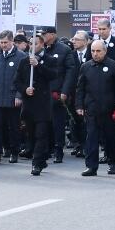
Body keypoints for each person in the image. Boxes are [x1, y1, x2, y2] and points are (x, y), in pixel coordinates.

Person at [76, 40, 115, 176]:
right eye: (93, 51)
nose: (95, 54)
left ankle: (113, 163)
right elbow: (80, 88)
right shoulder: (86, 67)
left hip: (110, 110)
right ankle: (91, 166)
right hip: (92, 109)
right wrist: (79, 105)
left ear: (105, 51)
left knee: (111, 138)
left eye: (98, 51)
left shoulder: (114, 66)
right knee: (91, 138)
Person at [18, 35, 54, 176]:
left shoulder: (49, 60)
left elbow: (53, 75)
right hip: (29, 104)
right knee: (31, 135)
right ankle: (42, 157)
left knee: (41, 134)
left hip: (43, 104)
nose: (32, 46)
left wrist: (38, 66)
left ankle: (36, 163)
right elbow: (17, 81)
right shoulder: (23, 61)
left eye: (36, 43)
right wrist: (24, 89)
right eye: (31, 43)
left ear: (42, 45)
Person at [0, 30, 26, 164]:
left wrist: (19, 95)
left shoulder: (21, 56)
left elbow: (24, 78)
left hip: (12, 98)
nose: (3, 45)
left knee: (13, 127)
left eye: (5, 42)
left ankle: (14, 151)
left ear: (12, 42)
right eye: (1, 42)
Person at [39, 27, 74, 164]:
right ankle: (46, 149)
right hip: (42, 93)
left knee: (57, 124)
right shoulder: (41, 49)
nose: (42, 36)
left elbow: (70, 72)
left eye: (44, 34)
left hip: (56, 92)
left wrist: (65, 91)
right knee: (44, 123)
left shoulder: (64, 49)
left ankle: (58, 150)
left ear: (52, 34)